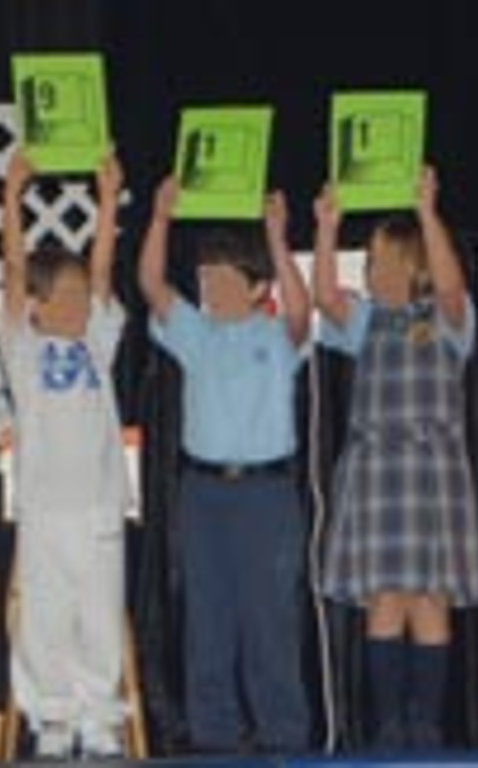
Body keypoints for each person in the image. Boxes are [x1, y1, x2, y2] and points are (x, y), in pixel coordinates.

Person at [138, 176, 311, 754]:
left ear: (256, 284)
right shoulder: (195, 332)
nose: (210, 287)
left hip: (265, 494)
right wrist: (160, 218)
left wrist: (276, 238)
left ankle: (282, 736)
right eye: (205, 277)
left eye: (222, 277)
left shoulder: (277, 335)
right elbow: (150, 284)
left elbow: (302, 312)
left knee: (269, 622)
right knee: (208, 620)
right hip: (203, 492)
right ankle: (214, 736)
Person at [312, 166, 478, 751]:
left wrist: (428, 212)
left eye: (386, 261)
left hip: (431, 473)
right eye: (370, 264)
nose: (375, 273)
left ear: (415, 266)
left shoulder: (447, 319)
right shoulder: (366, 322)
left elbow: (455, 289)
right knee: (384, 598)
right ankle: (388, 728)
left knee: (431, 599)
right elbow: (325, 300)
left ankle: (426, 727)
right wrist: (326, 228)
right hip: (377, 473)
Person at [0, 149, 130, 759]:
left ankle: (98, 720)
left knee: (101, 615)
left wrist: (107, 202)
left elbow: (103, 272)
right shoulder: (24, 351)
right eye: (68, 296)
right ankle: (51, 717)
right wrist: (11, 194)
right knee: (46, 619)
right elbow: (12, 270)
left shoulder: (96, 344)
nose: (81, 304)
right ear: (38, 305)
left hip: (99, 508)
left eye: (85, 295)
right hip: (45, 511)